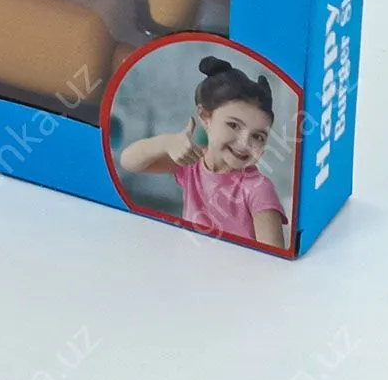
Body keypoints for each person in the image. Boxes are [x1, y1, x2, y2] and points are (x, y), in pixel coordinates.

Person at [119, 55, 287, 247]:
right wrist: (165, 143)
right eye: (233, 125)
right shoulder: (192, 163)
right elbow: (128, 162)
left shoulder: (258, 189)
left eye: (258, 136)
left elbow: (272, 257)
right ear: (205, 117)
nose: (244, 143)